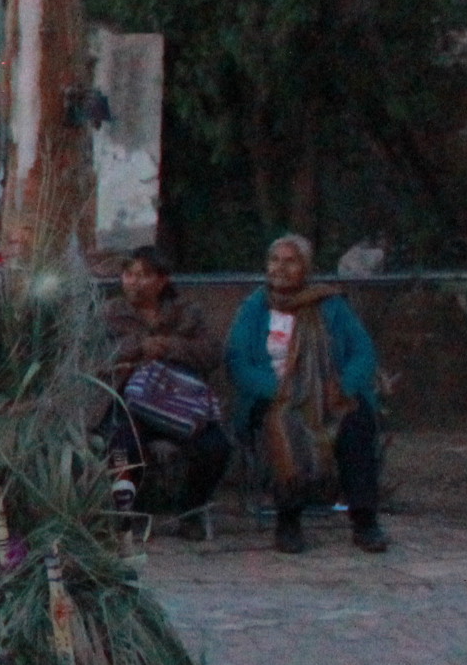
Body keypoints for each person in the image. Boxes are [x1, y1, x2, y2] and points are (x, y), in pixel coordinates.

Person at [227, 234, 387, 555]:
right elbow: (238, 362)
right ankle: (288, 521)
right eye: (275, 260)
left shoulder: (332, 305)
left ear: (307, 268)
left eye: (291, 261)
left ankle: (365, 521)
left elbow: (363, 352)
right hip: (275, 395)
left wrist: (343, 387)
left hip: (329, 392)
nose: (280, 268)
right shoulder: (255, 308)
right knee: (284, 424)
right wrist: (281, 390)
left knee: (356, 424)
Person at [99, 247, 231, 532]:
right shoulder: (111, 314)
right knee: (121, 445)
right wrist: (137, 348)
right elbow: (97, 356)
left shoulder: (186, 314)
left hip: (179, 403)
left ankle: (190, 511)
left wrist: (169, 347)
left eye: (144, 275)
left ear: (162, 280)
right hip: (131, 403)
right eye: (129, 274)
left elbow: (211, 353)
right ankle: (127, 511)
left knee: (216, 446)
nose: (134, 282)